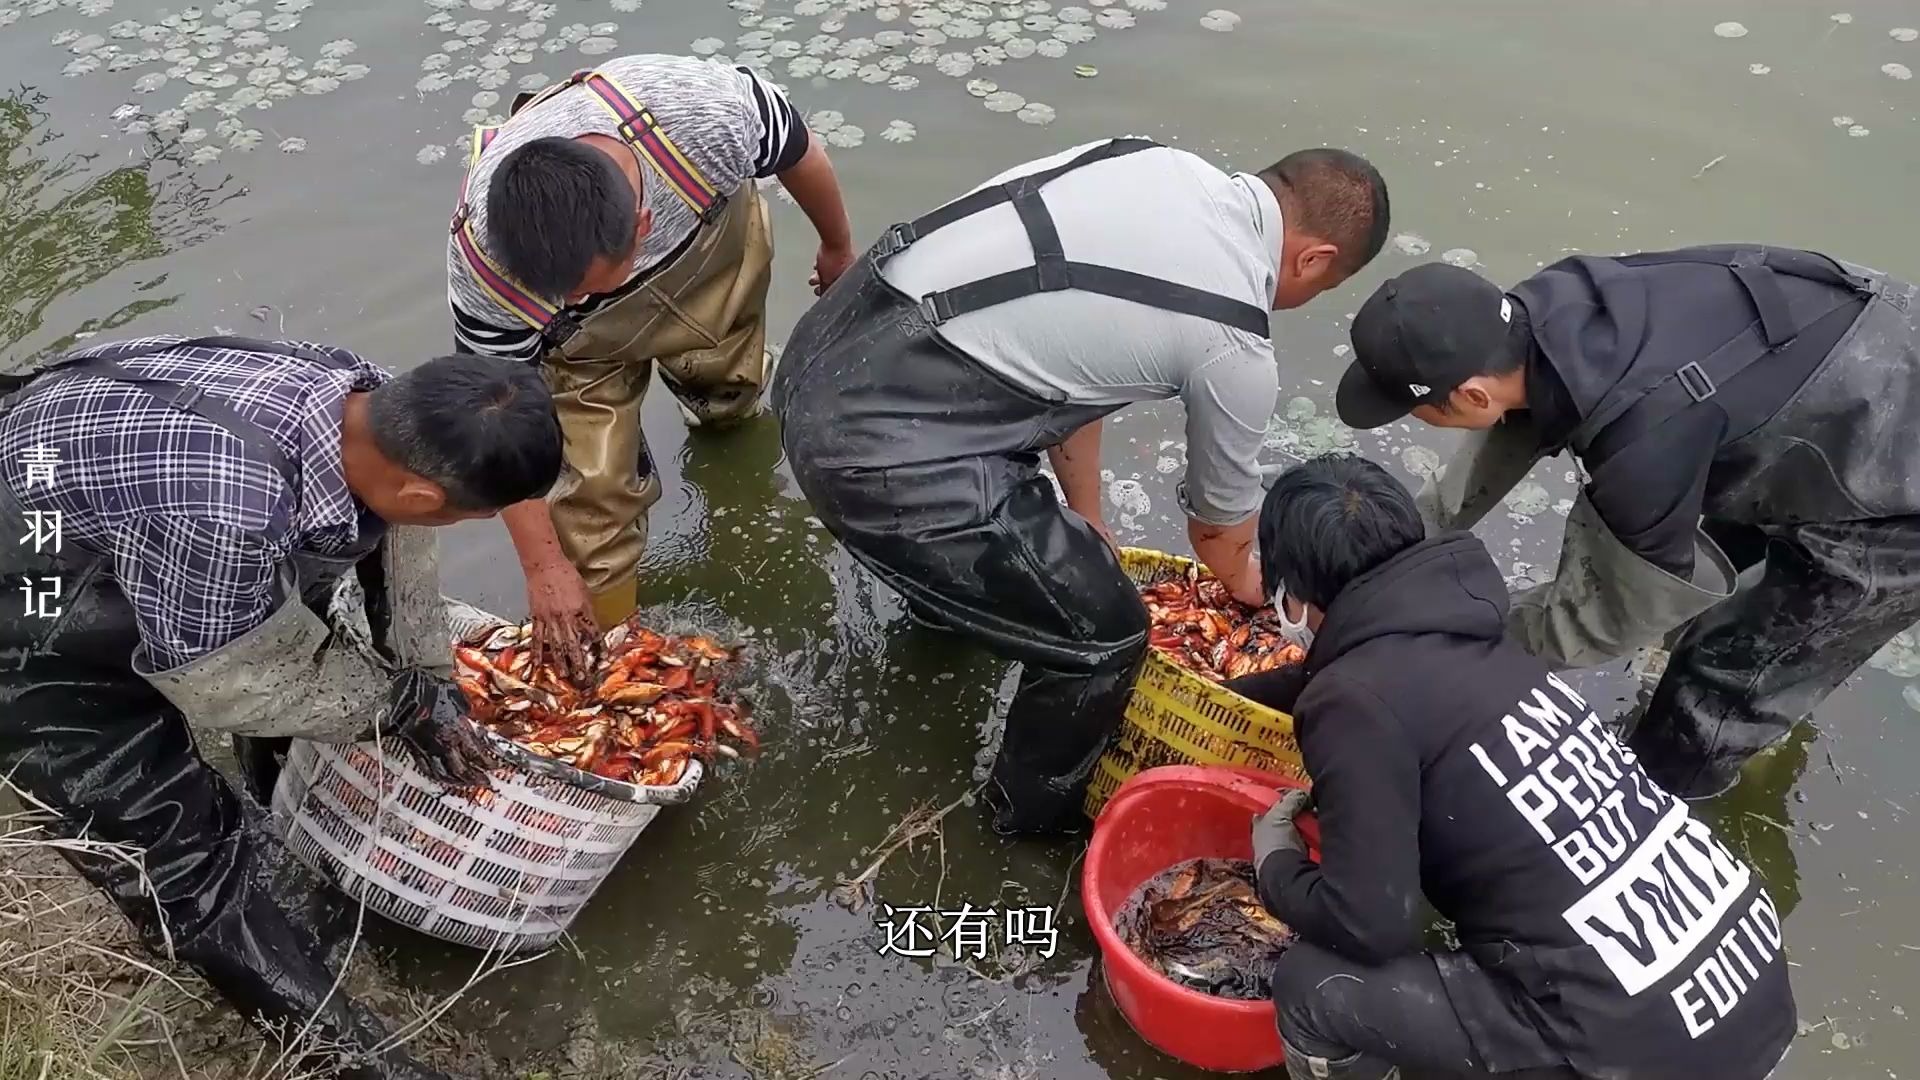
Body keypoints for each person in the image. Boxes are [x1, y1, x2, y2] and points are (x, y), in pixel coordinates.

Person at [773, 137, 1390, 834]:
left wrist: (1088, 516)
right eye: (1322, 289)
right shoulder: (1233, 339)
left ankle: (943, 614)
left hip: (821, 353)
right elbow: (1219, 532)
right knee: (1107, 635)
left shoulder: (1155, 163)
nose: (1305, 300)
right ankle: (1023, 822)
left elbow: (1077, 367)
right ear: (1316, 259)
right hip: (872, 445)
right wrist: (1261, 591)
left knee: (1037, 552)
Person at [0, 335, 563, 1080]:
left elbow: (395, 539)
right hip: (32, 591)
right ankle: (353, 1062)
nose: (453, 529)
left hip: (97, 483)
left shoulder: (374, 394)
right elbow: (216, 679)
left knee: (298, 632)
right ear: (427, 496)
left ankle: (285, 832)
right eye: (465, 519)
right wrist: (394, 706)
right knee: (179, 856)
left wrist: (427, 672)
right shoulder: (229, 506)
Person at [1237, 454, 1795, 1080]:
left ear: (1299, 593)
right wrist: (1239, 693)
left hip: (1639, 1049)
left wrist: (1274, 864)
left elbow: (1368, 924)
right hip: (1744, 984)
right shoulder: (1483, 637)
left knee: (1315, 984)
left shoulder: (1353, 702)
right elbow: (1380, 676)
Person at [1331, 247, 1918, 800]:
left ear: (1470, 395)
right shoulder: (1551, 307)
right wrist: (1389, 566)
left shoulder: (1641, 453)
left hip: (1894, 480)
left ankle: (1675, 814)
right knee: (1704, 557)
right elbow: (1514, 425)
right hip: (1829, 358)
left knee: (1724, 677)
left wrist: (1435, 650)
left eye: (1412, 406)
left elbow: (1596, 624)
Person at [446, 52, 856, 675]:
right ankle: (612, 660)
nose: (576, 298)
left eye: (584, 287)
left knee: (729, 384)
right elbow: (495, 416)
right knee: (589, 499)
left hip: (709, 255)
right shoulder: (484, 264)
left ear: (641, 225)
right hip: (577, 350)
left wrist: (837, 245)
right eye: (561, 292)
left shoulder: (707, 114)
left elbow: (801, 149)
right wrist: (544, 565)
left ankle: (730, 431)